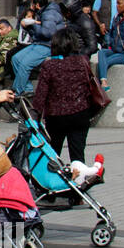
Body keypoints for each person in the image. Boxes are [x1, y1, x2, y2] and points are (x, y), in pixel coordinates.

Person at [30, 28, 99, 164]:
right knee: (78, 155)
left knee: (53, 154)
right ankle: (78, 181)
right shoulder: (83, 61)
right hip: (80, 113)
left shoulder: (49, 66)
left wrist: (34, 118)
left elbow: (40, 96)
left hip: (56, 117)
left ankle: (54, 181)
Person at [12, 0, 66, 94]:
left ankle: (17, 92)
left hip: (48, 45)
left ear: (37, 5)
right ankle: (27, 89)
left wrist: (32, 25)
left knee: (25, 64)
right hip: (39, 43)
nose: (31, 7)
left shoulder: (49, 13)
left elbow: (47, 33)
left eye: (32, 4)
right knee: (16, 59)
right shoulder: (43, 12)